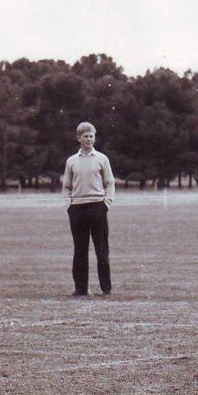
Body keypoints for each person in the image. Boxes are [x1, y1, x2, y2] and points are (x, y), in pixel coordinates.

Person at [62, 122, 115, 297]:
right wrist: (69, 205)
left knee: (101, 249)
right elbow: (66, 186)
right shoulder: (72, 161)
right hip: (77, 209)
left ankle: (106, 288)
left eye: (92, 136)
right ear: (79, 138)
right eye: (86, 136)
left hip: (98, 207)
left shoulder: (102, 159)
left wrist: (106, 203)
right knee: (80, 250)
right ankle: (81, 288)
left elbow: (110, 183)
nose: (89, 139)